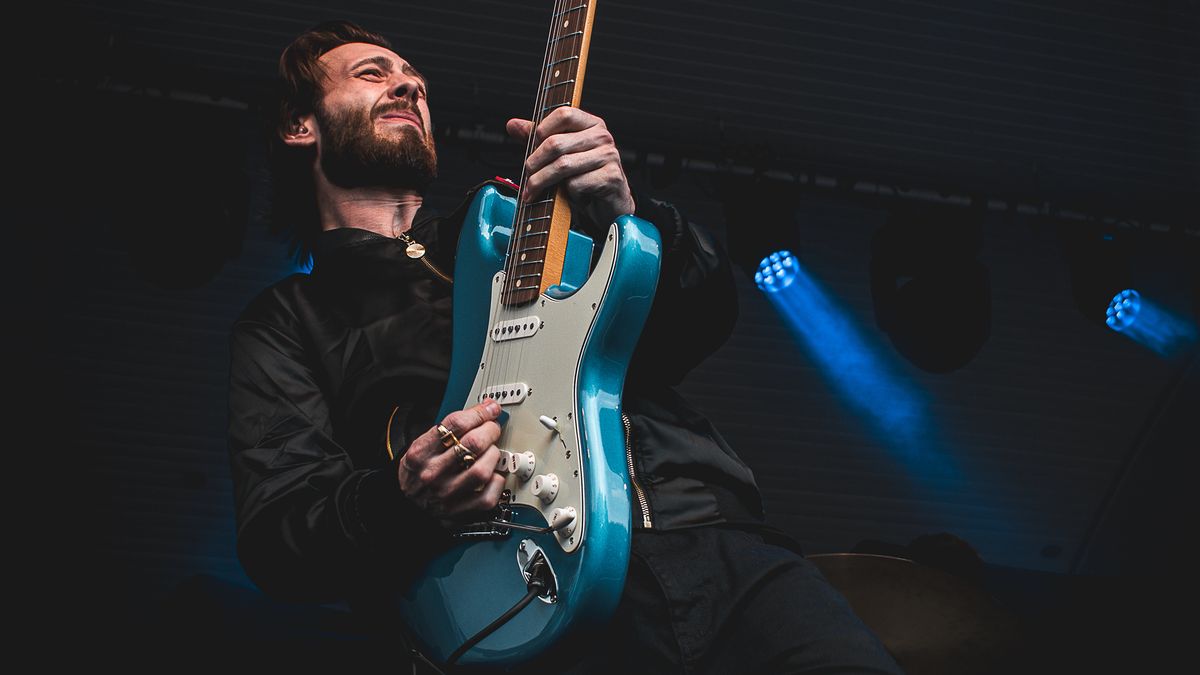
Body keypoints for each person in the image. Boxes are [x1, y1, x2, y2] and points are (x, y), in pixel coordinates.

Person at [228, 19, 903, 674]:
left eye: (415, 78)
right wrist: (403, 500)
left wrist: (627, 214)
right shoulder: (290, 319)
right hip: (518, 597)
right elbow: (280, 536)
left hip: (715, 544)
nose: (408, 87)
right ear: (299, 125)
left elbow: (701, 321)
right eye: (373, 74)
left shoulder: (521, 223)